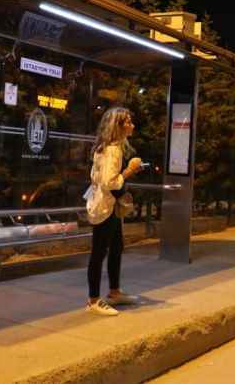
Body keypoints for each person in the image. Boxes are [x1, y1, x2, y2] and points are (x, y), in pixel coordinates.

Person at [83, 107, 143, 316]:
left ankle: (114, 292)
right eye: (128, 122)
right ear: (118, 126)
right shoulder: (113, 150)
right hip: (106, 207)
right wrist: (129, 170)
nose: (132, 125)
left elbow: (97, 176)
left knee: (115, 247)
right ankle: (93, 300)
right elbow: (110, 182)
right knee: (99, 252)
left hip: (105, 205)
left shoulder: (105, 147)